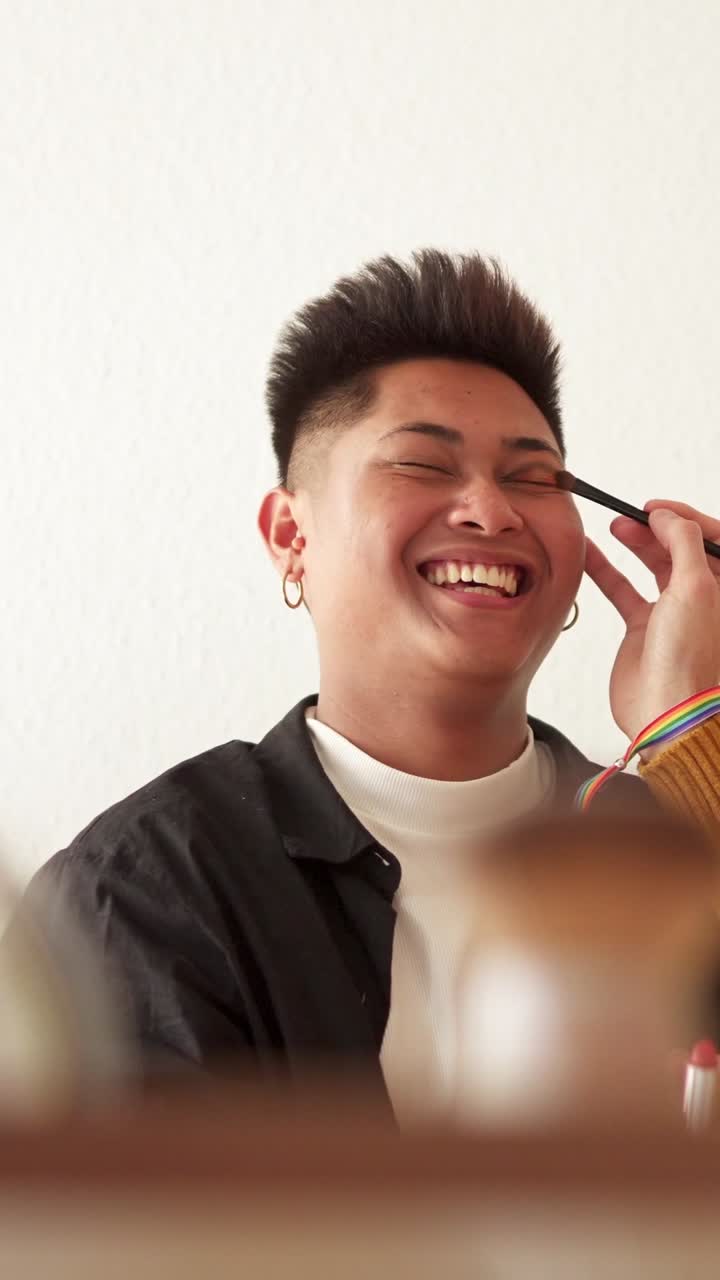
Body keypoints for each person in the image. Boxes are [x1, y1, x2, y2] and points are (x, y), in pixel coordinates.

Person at [21, 250, 720, 1118]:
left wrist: (700, 737)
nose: (491, 511)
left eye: (533, 477)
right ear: (290, 535)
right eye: (424, 465)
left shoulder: (678, 838)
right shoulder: (143, 887)